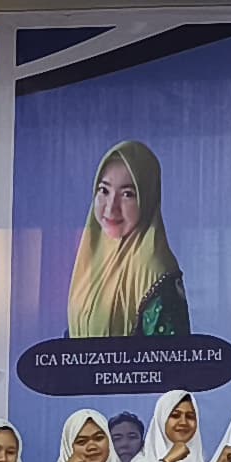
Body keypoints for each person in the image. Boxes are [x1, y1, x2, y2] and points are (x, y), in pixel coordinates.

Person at [67, 140, 188, 335]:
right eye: (104, 190)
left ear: (147, 198)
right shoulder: (92, 257)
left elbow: (168, 353)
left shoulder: (154, 270)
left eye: (127, 194)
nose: (111, 207)